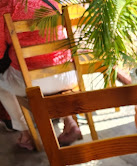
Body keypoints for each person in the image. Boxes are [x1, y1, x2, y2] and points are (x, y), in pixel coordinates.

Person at [0, 0, 82, 150]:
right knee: (52, 63)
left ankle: (26, 133)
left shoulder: (6, 6)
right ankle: (70, 122)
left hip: (34, 84)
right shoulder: (51, 1)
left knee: (1, 85)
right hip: (69, 75)